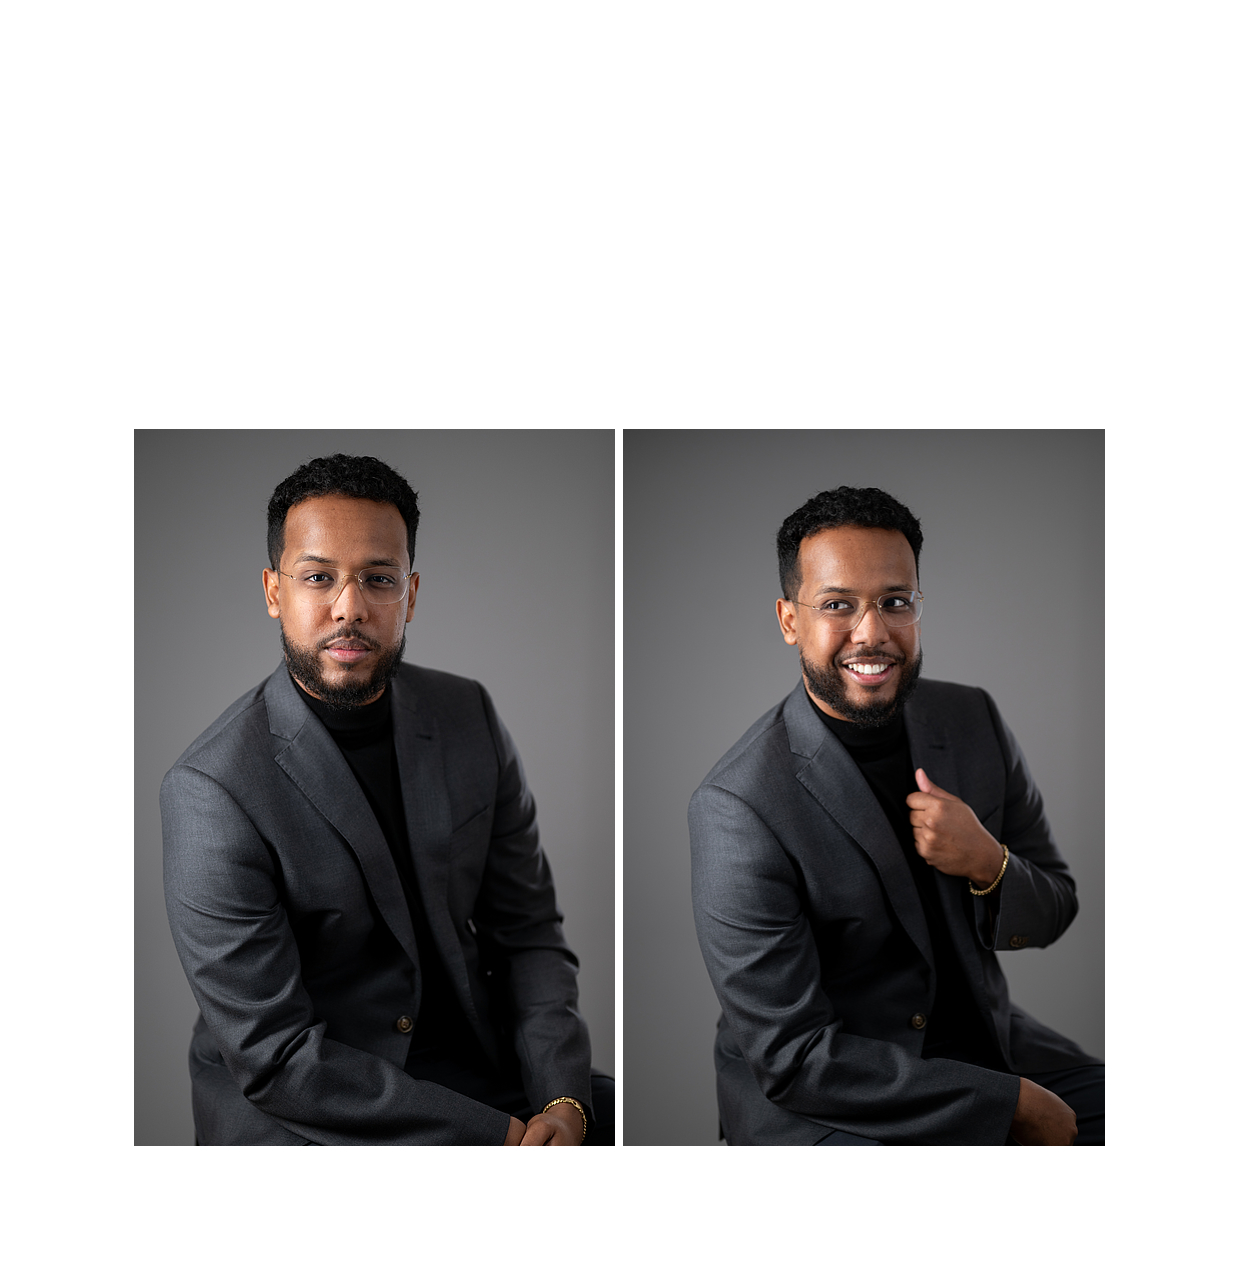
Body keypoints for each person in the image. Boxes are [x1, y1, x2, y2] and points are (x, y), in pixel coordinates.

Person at [161, 452, 613, 1145]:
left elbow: (529, 935)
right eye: (318, 577)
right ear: (273, 591)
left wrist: (561, 1102)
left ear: (411, 592)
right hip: (316, 1108)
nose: (350, 607)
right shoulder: (211, 789)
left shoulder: (467, 714)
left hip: (477, 1065)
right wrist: (498, 1136)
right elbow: (277, 1057)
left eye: (378, 578)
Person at [688, 485, 1103, 1145]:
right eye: (836, 605)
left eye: (894, 602)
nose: (872, 632)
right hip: (834, 1092)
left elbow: (1055, 908)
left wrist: (987, 863)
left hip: (983, 1039)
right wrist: (1007, 1103)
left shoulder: (972, 720)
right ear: (788, 620)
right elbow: (793, 1057)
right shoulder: (737, 806)